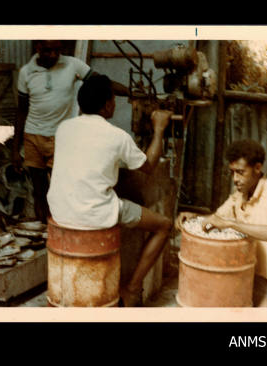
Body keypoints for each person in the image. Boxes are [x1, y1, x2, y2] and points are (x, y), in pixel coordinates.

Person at [47, 74, 173, 307]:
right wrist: (158, 129)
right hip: (93, 215)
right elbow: (149, 165)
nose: (115, 104)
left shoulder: (63, 127)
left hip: (59, 212)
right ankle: (132, 288)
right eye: (114, 100)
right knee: (164, 225)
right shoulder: (117, 137)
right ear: (106, 105)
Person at [12, 40, 129, 223]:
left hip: (61, 138)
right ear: (38, 48)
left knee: (62, 189)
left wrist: (130, 91)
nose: (53, 55)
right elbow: (21, 111)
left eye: (57, 50)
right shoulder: (26, 73)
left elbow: (101, 83)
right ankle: (45, 233)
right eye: (47, 50)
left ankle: (62, 229)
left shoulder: (73, 64)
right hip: (33, 137)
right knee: (39, 191)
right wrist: (15, 149)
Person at [176, 139, 267, 307]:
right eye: (232, 172)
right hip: (243, 271)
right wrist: (194, 216)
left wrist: (231, 224)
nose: (235, 179)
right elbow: (218, 218)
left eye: (240, 172)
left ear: (258, 168)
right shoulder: (239, 194)